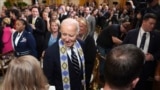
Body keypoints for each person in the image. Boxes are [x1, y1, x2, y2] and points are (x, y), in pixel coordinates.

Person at [43, 18, 86, 90]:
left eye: (71, 35)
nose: (67, 39)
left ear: (77, 33)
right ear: (60, 32)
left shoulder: (81, 45)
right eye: (64, 34)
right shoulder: (50, 53)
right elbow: (48, 80)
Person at [123, 13, 160, 90]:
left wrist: (152, 57)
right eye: (151, 23)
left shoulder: (156, 36)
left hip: (146, 70)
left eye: (154, 24)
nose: (153, 26)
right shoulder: (131, 33)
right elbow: (123, 48)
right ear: (144, 21)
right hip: (131, 67)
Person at [77, 17, 97, 90]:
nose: (79, 28)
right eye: (77, 26)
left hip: (85, 69)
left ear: (86, 28)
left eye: (81, 26)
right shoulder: (73, 37)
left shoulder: (89, 40)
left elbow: (90, 59)